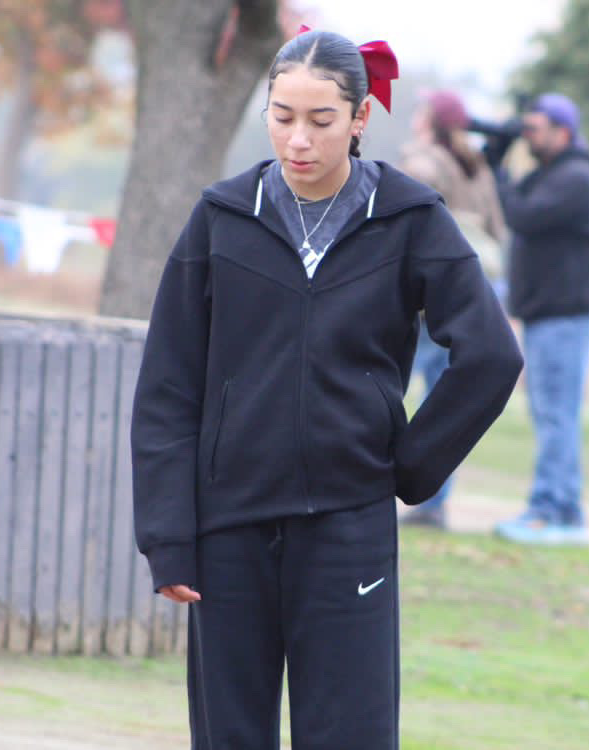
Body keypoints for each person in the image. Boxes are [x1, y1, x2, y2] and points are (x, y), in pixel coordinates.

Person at [130, 29, 523, 750]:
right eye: (282, 116)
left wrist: (408, 468)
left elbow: (490, 357)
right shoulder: (222, 217)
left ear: (360, 118)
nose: (298, 140)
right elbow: (168, 386)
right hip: (229, 531)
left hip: (348, 527)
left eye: (319, 120)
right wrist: (168, 537)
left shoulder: (410, 218)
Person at [492, 93, 589, 545]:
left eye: (536, 129)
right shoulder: (553, 174)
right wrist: (499, 166)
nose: (529, 136)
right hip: (549, 313)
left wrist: (498, 172)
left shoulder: (577, 178)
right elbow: (518, 202)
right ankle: (565, 508)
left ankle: (549, 510)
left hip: (564, 314)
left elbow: (519, 215)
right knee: (553, 413)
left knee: (555, 414)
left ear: (564, 132)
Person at [397, 89, 509, 530]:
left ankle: (384, 490)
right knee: (445, 400)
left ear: (432, 120)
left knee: (390, 388)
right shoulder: (478, 167)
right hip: (470, 292)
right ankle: (436, 499)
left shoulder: (422, 164)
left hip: (425, 297)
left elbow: (407, 225)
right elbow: (499, 229)